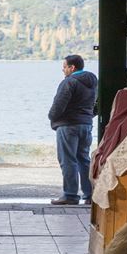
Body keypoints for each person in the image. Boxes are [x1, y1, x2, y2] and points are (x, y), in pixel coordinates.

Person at [48, 54, 98, 205]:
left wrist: (52, 117)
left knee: (68, 160)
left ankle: (70, 195)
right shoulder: (94, 82)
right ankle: (90, 195)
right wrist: (89, 115)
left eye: (64, 67)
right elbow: (97, 103)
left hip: (68, 126)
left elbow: (58, 105)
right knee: (83, 159)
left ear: (72, 67)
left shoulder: (69, 82)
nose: (63, 70)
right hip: (86, 125)